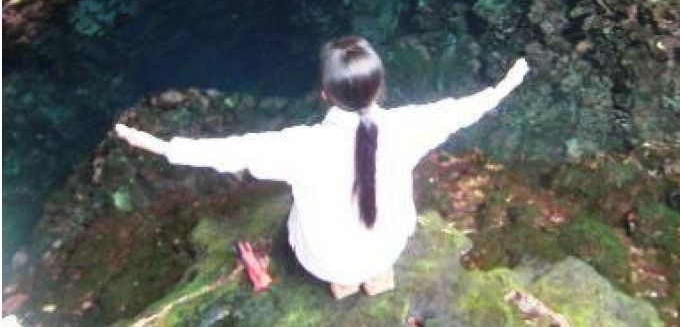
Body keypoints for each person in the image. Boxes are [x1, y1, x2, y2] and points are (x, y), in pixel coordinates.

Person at [115, 35, 530, 299]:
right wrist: (508, 83)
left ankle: (344, 282)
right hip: (387, 246)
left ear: (324, 95)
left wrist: (160, 145)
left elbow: (228, 152)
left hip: (324, 260)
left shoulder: (300, 145)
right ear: (380, 87)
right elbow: (465, 110)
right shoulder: (412, 126)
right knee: (378, 241)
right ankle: (376, 277)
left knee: (316, 233)